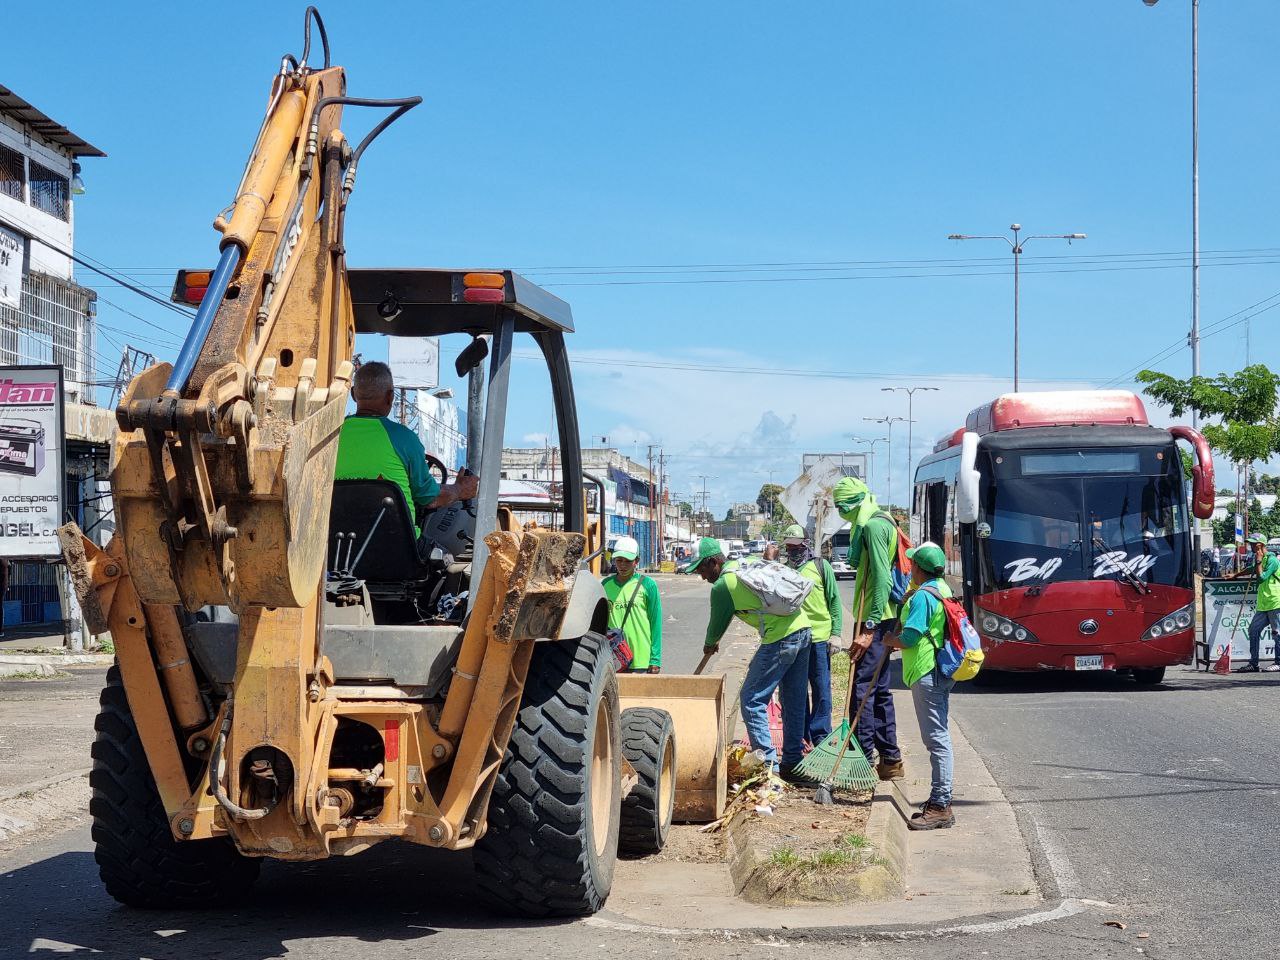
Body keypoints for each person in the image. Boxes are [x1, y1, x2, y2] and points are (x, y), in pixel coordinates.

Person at [687, 536, 814, 784]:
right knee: (794, 700)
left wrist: (709, 644)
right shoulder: (746, 565)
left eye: (701, 569)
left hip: (781, 638)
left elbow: (716, 625)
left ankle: (768, 768)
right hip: (803, 629)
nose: (701, 576)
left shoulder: (723, 585)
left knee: (752, 699)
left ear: (714, 562)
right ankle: (792, 763)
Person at [334, 361, 479, 555]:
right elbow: (430, 498)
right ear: (390, 396)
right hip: (398, 551)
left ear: (353, 394)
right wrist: (460, 489)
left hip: (339, 550)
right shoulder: (404, 438)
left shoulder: (331, 436)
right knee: (449, 564)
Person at [833, 476, 904, 781]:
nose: (840, 512)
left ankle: (862, 759)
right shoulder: (874, 521)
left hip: (876, 616)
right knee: (879, 688)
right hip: (880, 616)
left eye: (842, 506)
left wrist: (868, 629)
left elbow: (882, 580)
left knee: (862, 687)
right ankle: (891, 759)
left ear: (854, 502)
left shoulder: (874, 526)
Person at [883, 542, 956, 830]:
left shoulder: (923, 597)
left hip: (927, 670)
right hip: (939, 669)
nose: (908, 567)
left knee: (936, 740)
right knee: (939, 737)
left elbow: (910, 637)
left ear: (919, 569)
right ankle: (940, 801)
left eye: (912, 564)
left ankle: (940, 805)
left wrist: (889, 640)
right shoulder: (942, 588)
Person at [780, 523, 842, 745]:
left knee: (821, 688)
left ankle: (821, 735)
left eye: (796, 547)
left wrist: (836, 633)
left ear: (806, 545)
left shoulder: (821, 567)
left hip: (818, 638)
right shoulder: (784, 570)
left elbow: (834, 602)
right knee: (796, 691)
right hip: (794, 638)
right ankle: (802, 735)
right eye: (789, 547)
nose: (792, 551)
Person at [603, 535, 663, 673]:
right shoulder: (605, 585)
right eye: (619, 560)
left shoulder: (648, 585)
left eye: (628, 561)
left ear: (637, 561)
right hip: (614, 659)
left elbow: (656, 623)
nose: (622, 565)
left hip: (641, 660)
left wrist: (655, 659)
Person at [1232, 534, 1280, 673]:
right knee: (1253, 630)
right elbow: (1251, 569)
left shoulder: (1272, 561)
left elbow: (1261, 579)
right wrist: (1235, 575)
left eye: (1253, 544)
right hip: (1264, 604)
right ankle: (1253, 663)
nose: (1250, 546)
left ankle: (1278, 662)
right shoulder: (1262, 559)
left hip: (1275, 601)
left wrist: (1258, 562)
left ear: (1260, 545)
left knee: (1277, 633)